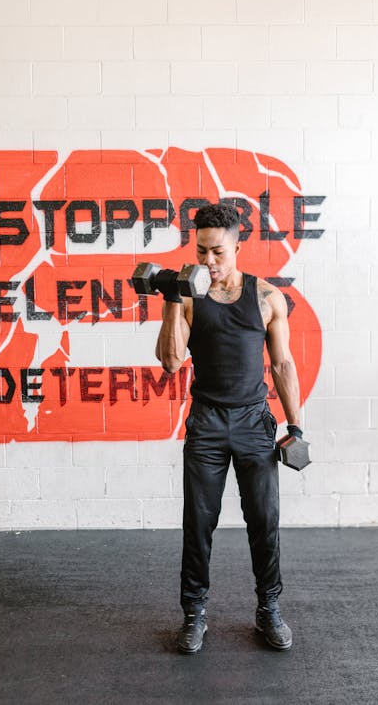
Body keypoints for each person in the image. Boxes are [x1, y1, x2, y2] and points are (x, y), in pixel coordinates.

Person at [155, 203, 303, 654]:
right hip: (207, 423)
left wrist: (296, 425)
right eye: (201, 252)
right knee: (198, 524)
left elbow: (281, 363)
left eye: (217, 252)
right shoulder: (190, 298)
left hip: (254, 422)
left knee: (264, 521)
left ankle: (269, 610)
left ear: (238, 245)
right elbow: (171, 360)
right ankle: (194, 614)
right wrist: (171, 300)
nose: (208, 262)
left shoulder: (266, 298)